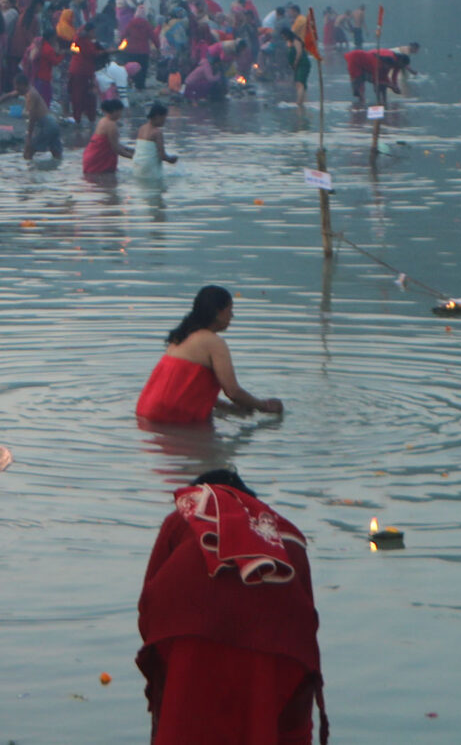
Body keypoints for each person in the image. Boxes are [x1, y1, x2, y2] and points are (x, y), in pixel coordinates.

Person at [136, 468, 324, 743]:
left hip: (190, 639)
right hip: (276, 646)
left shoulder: (184, 514)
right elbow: (308, 617)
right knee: (260, 724)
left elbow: (148, 608)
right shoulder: (284, 531)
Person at [135, 286, 283, 423]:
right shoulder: (213, 342)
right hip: (173, 417)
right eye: (230, 310)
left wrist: (227, 408)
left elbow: (185, 389)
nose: (232, 315)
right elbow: (233, 391)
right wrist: (264, 406)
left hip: (145, 409)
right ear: (218, 313)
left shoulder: (181, 336)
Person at [83, 97, 126, 178]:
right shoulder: (111, 125)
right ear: (115, 111)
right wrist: (134, 157)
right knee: (107, 185)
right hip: (99, 160)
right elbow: (116, 148)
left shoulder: (103, 120)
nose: (121, 114)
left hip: (92, 157)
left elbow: (116, 145)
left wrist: (133, 151)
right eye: (120, 111)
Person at [132, 103, 177, 178]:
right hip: (150, 168)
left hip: (138, 165)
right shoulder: (157, 132)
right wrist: (172, 159)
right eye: (164, 118)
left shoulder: (142, 128)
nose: (164, 121)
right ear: (157, 116)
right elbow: (162, 156)